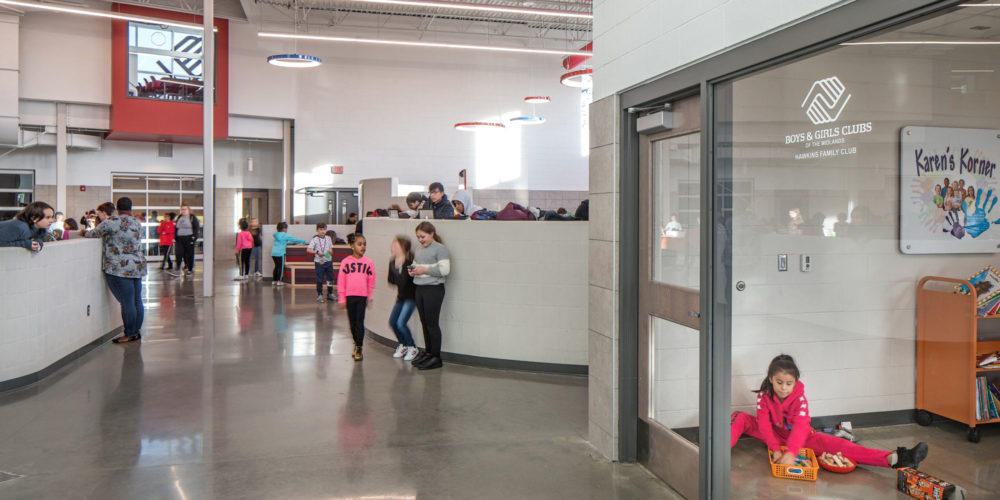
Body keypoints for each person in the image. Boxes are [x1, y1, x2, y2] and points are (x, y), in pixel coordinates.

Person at [730, 354, 928, 469]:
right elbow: (763, 425)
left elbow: (800, 428)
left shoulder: (800, 399)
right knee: (739, 417)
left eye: (788, 383)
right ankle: (716, 454)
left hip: (801, 439)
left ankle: (896, 459)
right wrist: (774, 449)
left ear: (795, 382)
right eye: (779, 382)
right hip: (773, 435)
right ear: (771, 379)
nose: (783, 388)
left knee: (841, 445)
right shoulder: (764, 396)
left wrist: (790, 452)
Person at [83, 197, 147, 344]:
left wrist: (81, 233)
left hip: (119, 268)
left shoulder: (112, 222)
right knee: (137, 301)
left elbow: (93, 234)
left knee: (127, 302)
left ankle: (130, 333)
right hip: (137, 266)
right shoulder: (137, 222)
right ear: (131, 208)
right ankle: (136, 332)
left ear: (117, 209)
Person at [409, 221, 450, 370]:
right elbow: (416, 264)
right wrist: (413, 270)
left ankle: (436, 357)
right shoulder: (419, 249)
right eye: (418, 237)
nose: (420, 240)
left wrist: (423, 270)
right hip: (420, 288)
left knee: (432, 324)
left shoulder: (440, 249)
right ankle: (428, 352)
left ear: (432, 234)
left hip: (434, 289)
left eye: (423, 236)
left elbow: (445, 270)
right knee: (424, 322)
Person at [337, 233, 376, 362]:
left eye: (364, 244)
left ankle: (359, 347)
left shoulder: (368, 262)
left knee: (359, 322)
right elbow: (341, 281)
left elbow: (371, 281)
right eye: (359, 244)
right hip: (349, 297)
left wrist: (369, 296)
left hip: (361, 297)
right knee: (352, 323)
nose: (363, 247)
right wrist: (342, 299)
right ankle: (356, 343)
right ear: (352, 246)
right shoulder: (346, 262)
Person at [387, 235, 418, 361]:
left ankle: (412, 346)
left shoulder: (410, 263)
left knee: (401, 323)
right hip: (400, 298)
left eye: (396, 245)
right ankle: (403, 344)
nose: (393, 247)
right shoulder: (392, 262)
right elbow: (391, 281)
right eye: (392, 244)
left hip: (410, 298)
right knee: (392, 322)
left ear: (403, 248)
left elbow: (411, 280)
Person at [307, 222, 336, 303]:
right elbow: (308, 249)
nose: (322, 231)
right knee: (319, 279)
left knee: (330, 278)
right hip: (319, 262)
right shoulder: (314, 239)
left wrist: (328, 252)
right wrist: (317, 252)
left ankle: (330, 293)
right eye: (320, 229)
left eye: (324, 229)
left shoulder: (328, 238)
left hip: (328, 261)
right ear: (317, 230)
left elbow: (331, 250)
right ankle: (319, 294)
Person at [271, 222, 308, 287]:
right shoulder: (285, 235)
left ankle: (274, 280)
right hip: (280, 253)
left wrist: (290, 244)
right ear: (284, 229)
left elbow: (282, 242)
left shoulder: (276, 235)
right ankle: (279, 281)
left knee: (276, 266)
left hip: (273, 253)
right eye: (286, 228)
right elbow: (295, 239)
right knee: (280, 267)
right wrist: (305, 242)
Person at [174, 205, 200, 276]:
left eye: (185, 209)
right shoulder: (179, 217)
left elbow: (196, 227)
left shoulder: (192, 217)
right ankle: (178, 268)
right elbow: (176, 227)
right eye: (182, 209)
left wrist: (194, 236)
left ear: (188, 210)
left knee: (189, 254)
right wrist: (176, 236)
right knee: (179, 253)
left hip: (189, 238)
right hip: (180, 238)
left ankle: (190, 269)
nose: (183, 211)